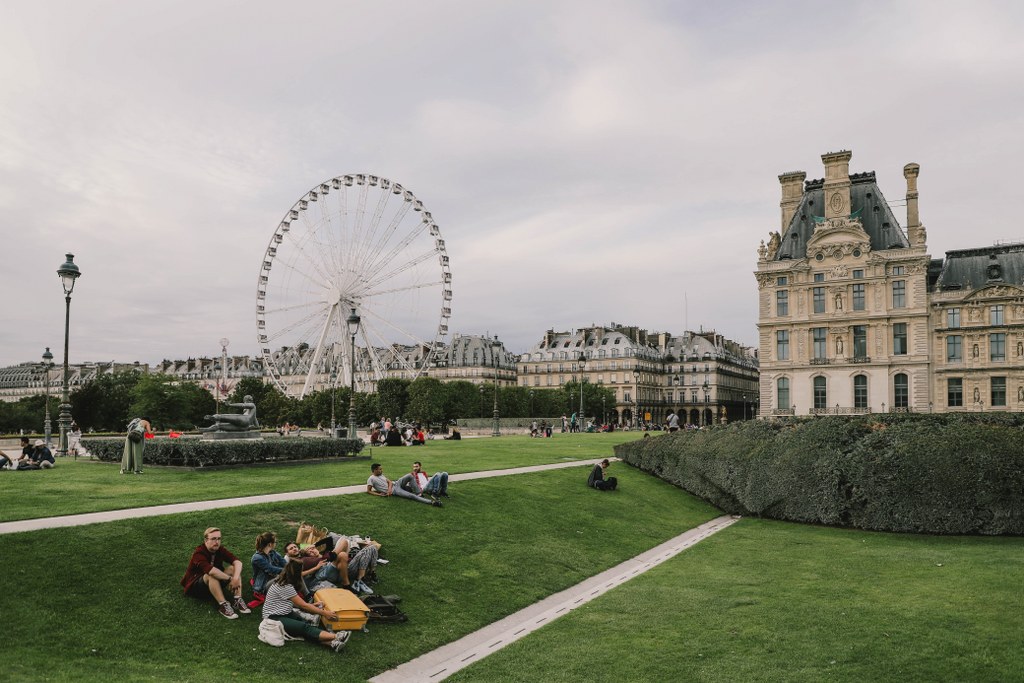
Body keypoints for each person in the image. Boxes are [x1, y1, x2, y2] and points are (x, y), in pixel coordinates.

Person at [262, 559, 349, 652]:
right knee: (304, 628)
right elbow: (304, 606)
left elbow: (297, 603)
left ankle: (332, 643)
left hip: (285, 613)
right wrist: (325, 613)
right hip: (273, 618)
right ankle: (337, 636)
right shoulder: (285, 586)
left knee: (302, 627)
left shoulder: (283, 582)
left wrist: (313, 605)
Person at [180, 527, 252, 619]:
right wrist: (231, 579)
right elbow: (211, 571)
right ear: (206, 540)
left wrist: (235, 578)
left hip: (214, 583)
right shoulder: (198, 553)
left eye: (219, 539)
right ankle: (223, 605)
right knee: (211, 575)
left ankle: (237, 600)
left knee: (232, 569)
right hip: (195, 587)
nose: (217, 542)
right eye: (213, 539)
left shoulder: (220, 550)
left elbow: (238, 562)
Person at [367, 463, 441, 506]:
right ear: (375, 470)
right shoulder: (371, 479)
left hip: (396, 483)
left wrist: (389, 488)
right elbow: (369, 491)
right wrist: (380, 494)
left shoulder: (381, 475)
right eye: (380, 469)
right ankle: (432, 502)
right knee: (411, 496)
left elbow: (389, 481)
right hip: (395, 490)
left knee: (410, 475)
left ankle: (419, 493)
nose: (381, 470)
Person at [250, 532, 287, 608]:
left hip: (273, 578)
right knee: (286, 577)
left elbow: (284, 562)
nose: (276, 543)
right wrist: (287, 571)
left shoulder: (273, 553)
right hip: (263, 586)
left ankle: (306, 595)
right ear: (270, 544)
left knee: (289, 576)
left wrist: (291, 568)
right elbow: (271, 569)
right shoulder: (257, 558)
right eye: (275, 542)